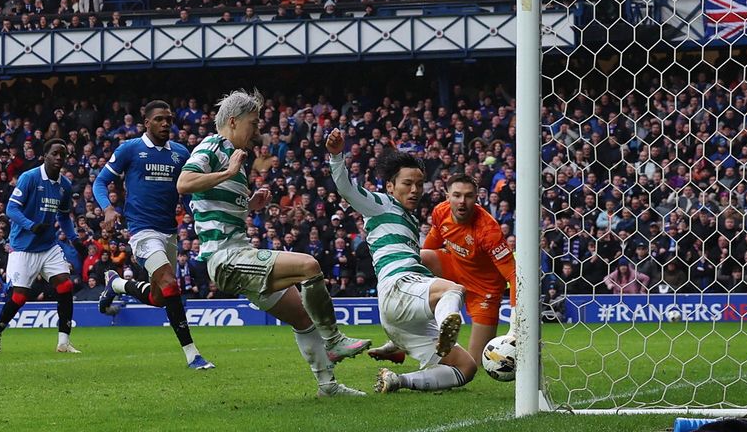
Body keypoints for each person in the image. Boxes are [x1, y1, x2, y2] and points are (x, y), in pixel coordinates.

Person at [176, 89, 369, 397]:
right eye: (253, 123)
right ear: (234, 121)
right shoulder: (213, 147)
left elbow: (215, 206)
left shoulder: (233, 157)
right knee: (309, 266)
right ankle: (333, 340)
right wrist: (227, 171)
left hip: (240, 254)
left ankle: (328, 387)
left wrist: (250, 204)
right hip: (225, 258)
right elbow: (184, 183)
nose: (258, 130)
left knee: (302, 317)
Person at [325, 128, 477, 394]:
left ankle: (399, 379)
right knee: (453, 290)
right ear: (391, 186)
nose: (415, 190)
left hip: (401, 315)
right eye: (408, 183)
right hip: (400, 286)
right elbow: (346, 189)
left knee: (466, 368)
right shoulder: (382, 204)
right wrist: (337, 156)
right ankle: (445, 327)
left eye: (419, 184)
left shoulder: (409, 221)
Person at [93, 100, 214, 370]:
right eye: (159, 119)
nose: (165, 124)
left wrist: (195, 211)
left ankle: (117, 285)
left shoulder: (181, 153)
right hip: (141, 231)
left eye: (169, 119)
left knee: (160, 298)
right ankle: (193, 354)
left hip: (169, 231)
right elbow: (100, 181)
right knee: (171, 283)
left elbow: (187, 192)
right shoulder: (130, 149)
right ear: (146, 122)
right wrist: (108, 210)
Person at [369, 173, 516, 364]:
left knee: (475, 362)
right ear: (447, 195)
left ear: (477, 197)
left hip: (485, 289)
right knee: (418, 257)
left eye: (468, 196)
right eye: (456, 195)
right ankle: (401, 341)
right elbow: (429, 248)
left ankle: (406, 345)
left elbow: (514, 275)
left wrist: (514, 326)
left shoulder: (488, 230)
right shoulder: (440, 212)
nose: (462, 201)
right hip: (452, 268)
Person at [0, 139, 84, 353]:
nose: (59, 158)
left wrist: (74, 238)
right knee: (19, 297)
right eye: (55, 153)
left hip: (48, 246)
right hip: (23, 246)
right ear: (45, 156)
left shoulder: (65, 186)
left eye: (63, 154)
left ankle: (63, 342)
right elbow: (12, 210)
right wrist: (32, 226)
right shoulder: (29, 178)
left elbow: (64, 216)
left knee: (65, 285)